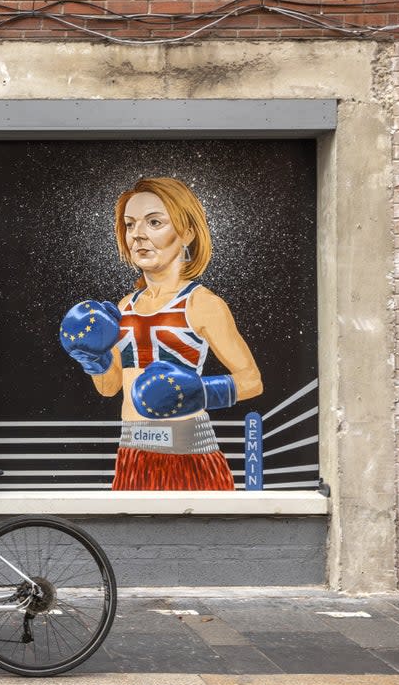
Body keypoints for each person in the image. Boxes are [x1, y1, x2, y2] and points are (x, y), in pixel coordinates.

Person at [60, 177, 262, 490]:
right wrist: (93, 359)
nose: (138, 234)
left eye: (154, 222)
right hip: (132, 454)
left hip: (190, 454)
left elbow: (251, 380)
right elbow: (110, 387)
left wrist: (200, 392)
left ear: (187, 232)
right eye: (129, 224)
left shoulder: (202, 303)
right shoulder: (123, 307)